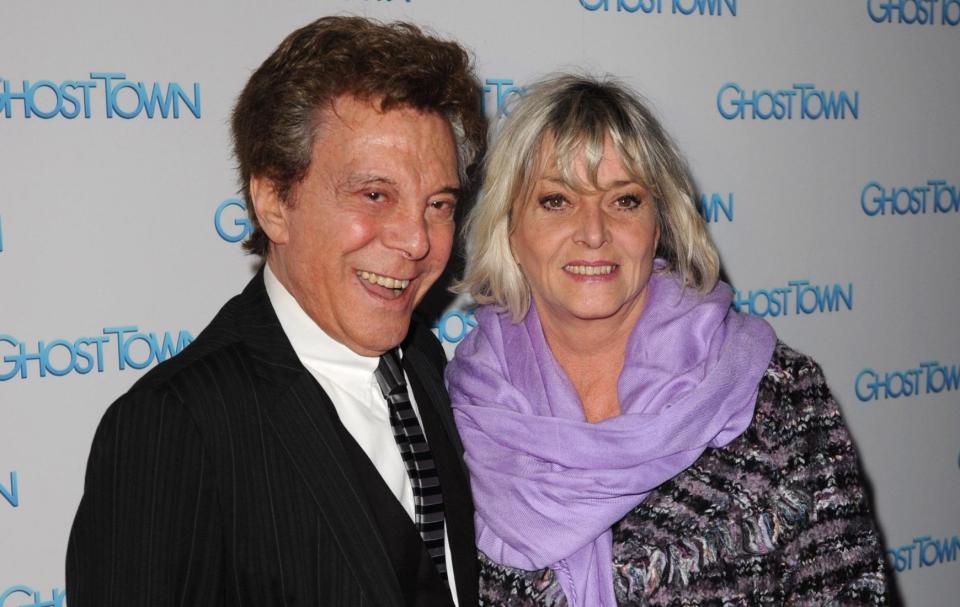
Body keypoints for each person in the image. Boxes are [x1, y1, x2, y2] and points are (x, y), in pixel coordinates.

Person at [66, 16, 485, 606]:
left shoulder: (425, 362)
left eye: (437, 204)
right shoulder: (174, 426)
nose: (417, 241)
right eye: (374, 195)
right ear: (273, 203)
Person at [446, 74, 889, 606]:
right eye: (557, 200)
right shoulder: (459, 411)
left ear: (659, 224)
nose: (593, 231)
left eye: (625, 200)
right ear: (511, 227)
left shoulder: (779, 397)